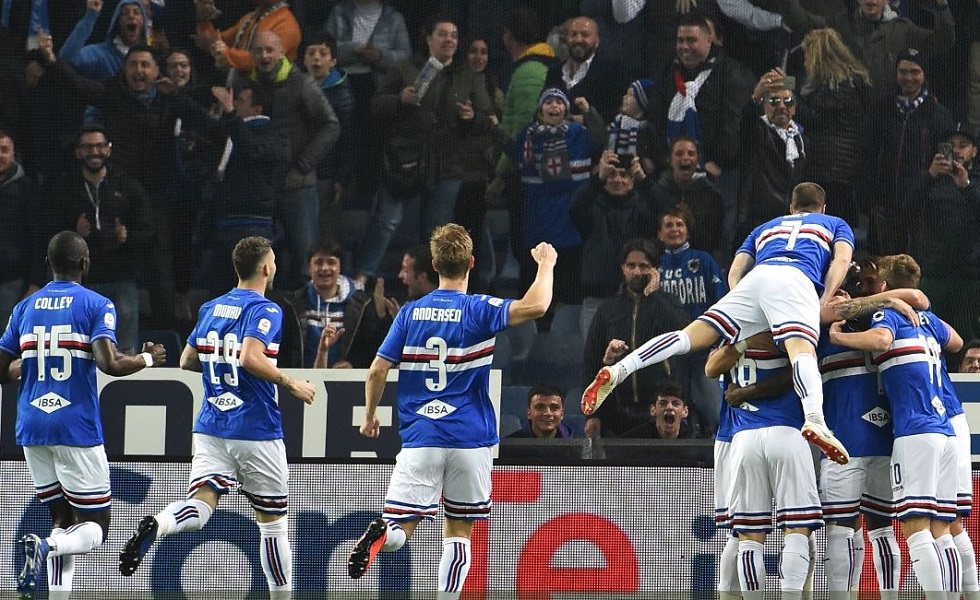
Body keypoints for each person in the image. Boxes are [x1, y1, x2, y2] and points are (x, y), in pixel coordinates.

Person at [347, 224, 556, 596]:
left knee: (400, 527)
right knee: (459, 531)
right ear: (472, 262)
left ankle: (384, 535)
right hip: (470, 437)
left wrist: (369, 415)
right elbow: (537, 305)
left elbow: (378, 369)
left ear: (434, 264)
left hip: (422, 437)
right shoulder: (479, 308)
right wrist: (546, 264)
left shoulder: (409, 314)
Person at [583, 182, 854, 464]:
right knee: (802, 350)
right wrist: (823, 298)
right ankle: (815, 419)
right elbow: (841, 261)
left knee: (686, 337)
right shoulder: (835, 223)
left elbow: (736, 270)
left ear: (791, 207)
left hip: (755, 279)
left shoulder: (766, 227)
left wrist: (743, 307)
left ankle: (620, 369)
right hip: (796, 278)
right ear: (823, 208)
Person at [118, 236, 316, 600]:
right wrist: (291, 383)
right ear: (267, 268)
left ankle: (160, 523)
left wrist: (218, 370)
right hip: (255, 428)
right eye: (273, 261)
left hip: (211, 425)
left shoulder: (211, 307)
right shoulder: (266, 309)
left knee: (201, 506)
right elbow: (250, 357)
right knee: (273, 526)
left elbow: (187, 360)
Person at [0, 231, 165, 600]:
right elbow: (110, 362)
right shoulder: (96, 304)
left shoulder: (24, 307)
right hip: (74, 426)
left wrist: (23, 366)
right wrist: (149, 357)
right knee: (96, 527)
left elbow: (1, 370)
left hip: (31, 427)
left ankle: (57, 588)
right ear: (85, 263)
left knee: (63, 520)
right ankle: (44, 547)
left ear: (48, 264)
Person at [827, 254, 963, 599]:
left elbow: (883, 337)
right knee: (940, 530)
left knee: (906, 529)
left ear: (885, 285)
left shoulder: (884, 317)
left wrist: (841, 333)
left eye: (872, 283)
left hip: (903, 434)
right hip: (936, 430)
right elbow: (956, 342)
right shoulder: (920, 318)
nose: (865, 289)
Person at [704, 331, 822, 600]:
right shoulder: (790, 325)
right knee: (798, 530)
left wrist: (744, 347)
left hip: (741, 438)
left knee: (746, 536)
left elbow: (710, 367)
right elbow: (799, 371)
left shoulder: (733, 328)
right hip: (786, 431)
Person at [238, 30, 340, 290]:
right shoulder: (242, 81)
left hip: (297, 185)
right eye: (259, 51)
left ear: (282, 52)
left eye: (270, 50)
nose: (264, 56)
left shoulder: (302, 83)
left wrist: (302, 166)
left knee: (305, 260)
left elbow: (330, 125)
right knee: (257, 265)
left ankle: (310, 313)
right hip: (259, 188)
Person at [44, 126, 154, 353]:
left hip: (121, 277)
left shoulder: (129, 186)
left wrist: (128, 236)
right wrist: (73, 235)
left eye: (100, 146)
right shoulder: (63, 189)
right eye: (88, 147)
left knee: (124, 349)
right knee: (77, 347)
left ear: (109, 149)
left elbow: (149, 231)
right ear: (78, 152)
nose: (94, 151)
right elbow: (49, 235)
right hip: (80, 281)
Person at [582, 238, 691, 438]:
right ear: (622, 268)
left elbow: (684, 334)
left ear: (655, 270)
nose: (637, 272)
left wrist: (654, 295)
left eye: (644, 266)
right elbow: (591, 363)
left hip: (659, 410)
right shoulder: (607, 310)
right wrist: (593, 415)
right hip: (618, 410)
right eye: (631, 266)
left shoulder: (668, 303)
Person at [869, 49, 955, 255]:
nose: (908, 78)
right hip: (886, 206)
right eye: (903, 71)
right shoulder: (881, 109)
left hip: (925, 210)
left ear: (924, 75)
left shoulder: (939, 114)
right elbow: (867, 154)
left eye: (915, 72)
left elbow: (947, 165)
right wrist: (869, 200)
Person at [797, 28, 873, 229]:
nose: (805, 63)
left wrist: (791, 98)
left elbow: (814, 119)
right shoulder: (848, 83)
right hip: (841, 170)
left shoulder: (838, 87)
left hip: (831, 170)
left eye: (807, 57)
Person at [909, 124, 980, 340]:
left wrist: (966, 186)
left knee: (968, 340)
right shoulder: (930, 180)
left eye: (963, 145)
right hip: (933, 272)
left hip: (970, 276)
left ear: (974, 151)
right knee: (928, 335)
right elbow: (907, 211)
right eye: (951, 145)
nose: (956, 150)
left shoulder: (975, 183)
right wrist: (929, 176)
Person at [280, 239, 396, 369]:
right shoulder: (292, 303)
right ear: (309, 267)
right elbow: (285, 350)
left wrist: (353, 364)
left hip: (345, 381)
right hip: (300, 379)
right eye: (318, 262)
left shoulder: (363, 304)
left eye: (331, 262)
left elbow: (370, 347)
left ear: (340, 267)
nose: (324, 268)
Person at [570, 149, 665, 299]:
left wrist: (644, 180)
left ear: (632, 179)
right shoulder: (591, 209)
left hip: (638, 293)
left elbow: (665, 213)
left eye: (623, 175)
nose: (618, 180)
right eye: (611, 175)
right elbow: (575, 209)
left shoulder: (644, 209)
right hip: (598, 295)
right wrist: (597, 178)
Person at [736, 70, 808, 241]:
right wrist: (755, 97)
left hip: (790, 222)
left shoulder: (803, 140)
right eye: (774, 101)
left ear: (795, 107)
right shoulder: (757, 132)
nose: (782, 106)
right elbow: (747, 121)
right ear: (764, 105)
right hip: (757, 222)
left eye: (788, 101)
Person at [302, 31, 355, 243]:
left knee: (326, 230)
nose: (316, 58)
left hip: (327, 172)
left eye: (323, 53)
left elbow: (347, 141)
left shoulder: (342, 95)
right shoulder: (296, 88)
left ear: (333, 61)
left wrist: (341, 178)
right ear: (303, 60)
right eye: (311, 53)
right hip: (301, 170)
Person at [544, 16, 626, 122]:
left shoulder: (613, 71)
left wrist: (587, 119)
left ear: (597, 41)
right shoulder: (554, 72)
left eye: (585, 35)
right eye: (573, 34)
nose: (578, 40)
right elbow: (541, 109)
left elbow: (621, 112)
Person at [0, 131, 44, 327]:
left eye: (4, 150)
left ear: (13, 154)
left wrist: (36, 283)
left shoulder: (28, 191)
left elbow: (38, 239)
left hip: (13, 283)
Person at [655, 136, 725, 260]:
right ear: (670, 160)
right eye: (679, 153)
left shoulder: (712, 195)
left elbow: (713, 241)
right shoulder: (657, 192)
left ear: (698, 160)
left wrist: (690, 220)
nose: (685, 158)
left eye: (691, 154)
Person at [194, 0, 301, 72]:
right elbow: (221, 39)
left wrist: (223, 53)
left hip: (270, 91)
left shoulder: (287, 24)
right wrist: (204, 17)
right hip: (240, 85)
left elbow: (259, 59)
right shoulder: (251, 17)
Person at [58, 0, 149, 81]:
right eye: (125, 13)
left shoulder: (151, 57)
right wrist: (90, 16)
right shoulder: (99, 54)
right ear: (117, 22)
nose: (131, 16)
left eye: (136, 13)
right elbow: (66, 59)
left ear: (143, 22)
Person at [621, 383, 695, 439]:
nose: (669, 407)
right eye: (663, 403)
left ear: (685, 411)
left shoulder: (694, 440)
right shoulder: (634, 439)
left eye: (675, 404)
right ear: (653, 410)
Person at [507, 383, 575, 438]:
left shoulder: (576, 446)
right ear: (529, 413)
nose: (548, 413)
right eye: (540, 407)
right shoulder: (508, 446)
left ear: (562, 414)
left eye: (554, 408)